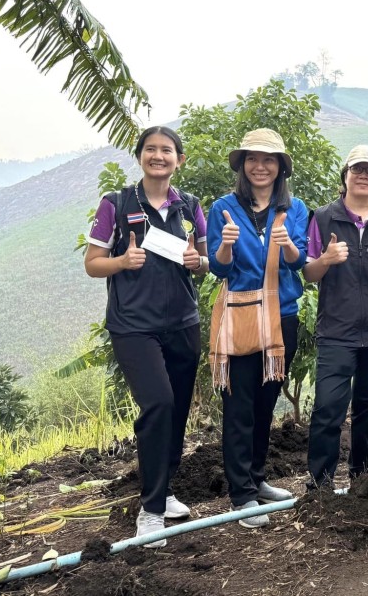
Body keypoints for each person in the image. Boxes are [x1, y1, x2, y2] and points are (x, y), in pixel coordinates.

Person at [85, 126, 208, 548]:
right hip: (134, 326)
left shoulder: (190, 206)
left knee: (175, 412)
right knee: (157, 404)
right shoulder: (116, 204)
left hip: (183, 323)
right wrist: (122, 260)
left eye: (167, 150)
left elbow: (205, 261)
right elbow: (92, 263)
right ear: (140, 157)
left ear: (180, 160)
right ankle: (151, 510)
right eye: (151, 150)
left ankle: (166, 489)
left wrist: (199, 260)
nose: (159, 156)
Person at [207, 128, 308, 528]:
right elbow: (218, 267)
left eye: (269, 160)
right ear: (243, 165)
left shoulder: (294, 208)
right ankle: (241, 495)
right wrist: (227, 245)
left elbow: (300, 261)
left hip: (282, 316)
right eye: (253, 159)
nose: (260, 166)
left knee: (266, 402)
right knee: (239, 406)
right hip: (242, 316)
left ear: (280, 167)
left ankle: (258, 479)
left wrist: (287, 246)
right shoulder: (224, 208)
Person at [304, 145, 368, 488]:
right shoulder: (322, 217)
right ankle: (320, 483)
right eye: (357, 169)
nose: (363, 175)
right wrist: (326, 259)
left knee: (367, 407)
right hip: (337, 329)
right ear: (345, 176)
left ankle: (362, 477)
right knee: (328, 408)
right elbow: (309, 273)